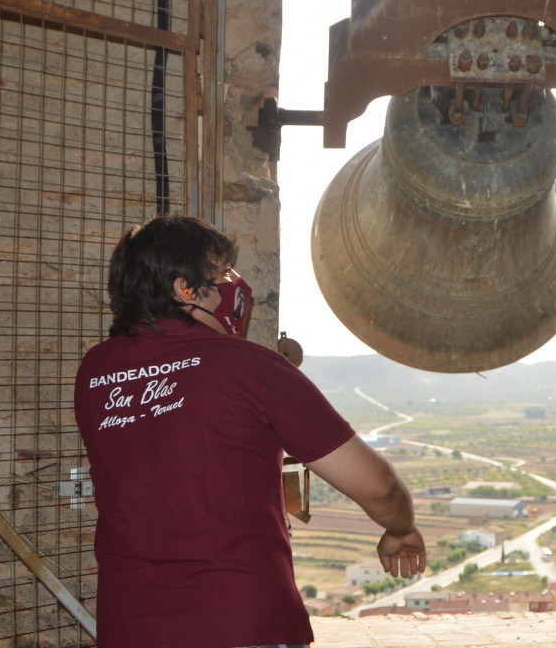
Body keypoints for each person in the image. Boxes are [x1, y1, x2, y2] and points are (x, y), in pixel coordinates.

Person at [74, 215, 426, 648]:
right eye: (221, 276)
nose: (232, 288)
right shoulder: (247, 366)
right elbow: (378, 486)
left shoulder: (96, 371)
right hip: (240, 620)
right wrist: (402, 529)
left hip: (130, 628)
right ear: (186, 290)